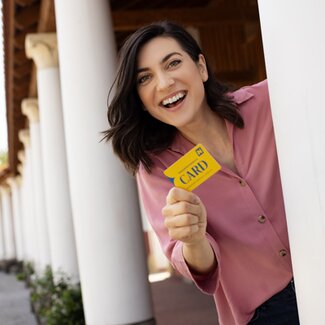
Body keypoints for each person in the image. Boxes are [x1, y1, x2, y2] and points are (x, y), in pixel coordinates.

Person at [103, 21, 299, 325]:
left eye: (173, 63)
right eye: (145, 78)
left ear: (201, 67)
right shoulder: (156, 169)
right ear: (141, 101)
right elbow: (199, 265)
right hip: (265, 312)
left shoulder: (267, 103)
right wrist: (193, 239)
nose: (165, 83)